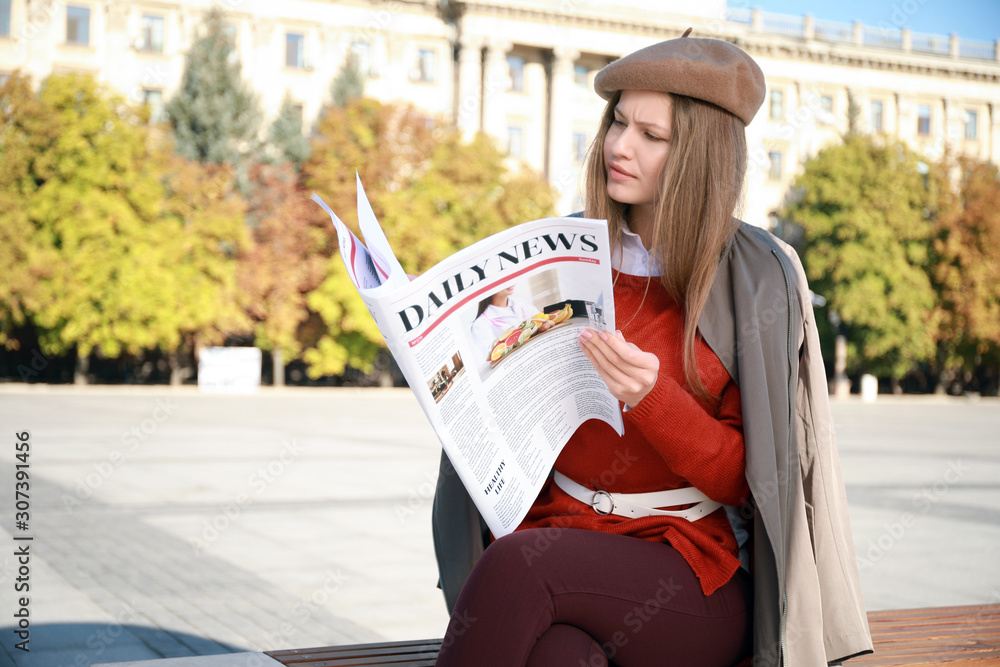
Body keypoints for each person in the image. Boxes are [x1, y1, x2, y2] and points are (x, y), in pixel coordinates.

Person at [431, 31, 874, 666]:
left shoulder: (752, 278)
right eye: (617, 122)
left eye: (650, 135)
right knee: (559, 657)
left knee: (519, 570)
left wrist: (651, 398)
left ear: (699, 155)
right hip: (565, 535)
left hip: (691, 571)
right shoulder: (562, 252)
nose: (618, 146)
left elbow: (746, 479)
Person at [470, 286, 539, 360]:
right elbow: (493, 354)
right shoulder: (480, 325)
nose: (511, 283)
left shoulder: (519, 302)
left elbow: (540, 318)